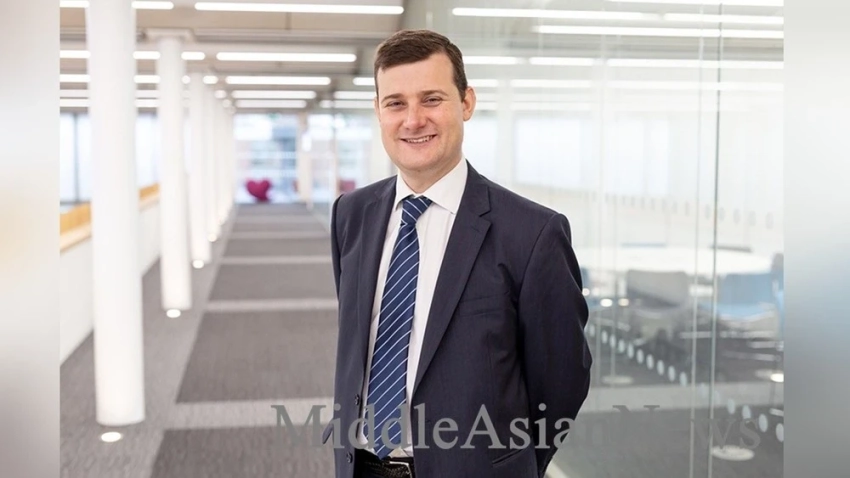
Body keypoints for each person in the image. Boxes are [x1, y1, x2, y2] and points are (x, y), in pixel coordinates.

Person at [324, 29, 591, 478]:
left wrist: (514, 465)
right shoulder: (351, 214)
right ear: (378, 111)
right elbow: (356, 345)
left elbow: (562, 379)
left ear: (466, 103)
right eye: (395, 103)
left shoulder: (532, 233)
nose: (413, 120)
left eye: (431, 99)